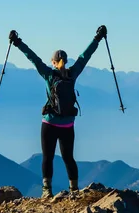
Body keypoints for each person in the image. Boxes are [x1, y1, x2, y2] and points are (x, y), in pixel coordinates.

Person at [8, 25, 108, 198]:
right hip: (67, 124)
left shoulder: (48, 74)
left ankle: (46, 190)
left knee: (48, 157)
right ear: (66, 61)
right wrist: (97, 38)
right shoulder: (72, 74)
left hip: (49, 123)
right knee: (68, 157)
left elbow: (33, 58)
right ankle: (74, 190)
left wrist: (17, 42)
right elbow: (85, 56)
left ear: (53, 62)